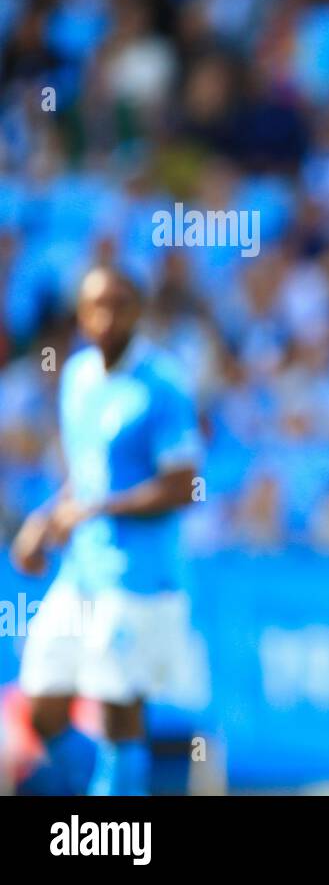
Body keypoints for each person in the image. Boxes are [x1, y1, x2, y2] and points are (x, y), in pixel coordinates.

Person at [9, 265, 203, 795]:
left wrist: (98, 509)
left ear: (139, 310)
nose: (107, 316)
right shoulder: (77, 378)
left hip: (139, 576)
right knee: (42, 701)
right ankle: (110, 790)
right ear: (81, 312)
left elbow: (184, 485)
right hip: (82, 571)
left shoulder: (162, 385)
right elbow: (84, 477)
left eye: (120, 303)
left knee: (119, 708)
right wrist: (43, 521)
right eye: (97, 304)